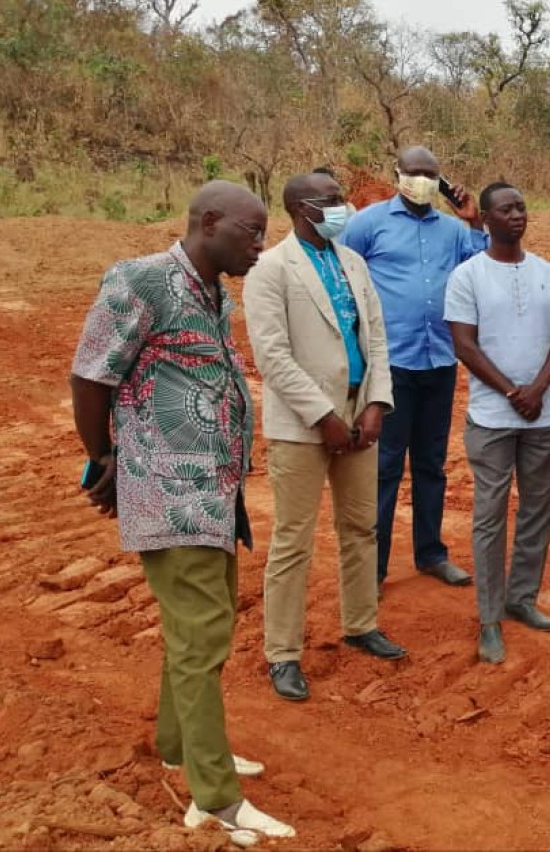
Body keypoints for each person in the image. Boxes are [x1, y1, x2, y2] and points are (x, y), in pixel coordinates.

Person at [70, 181, 294, 839]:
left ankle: (181, 746)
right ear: (209, 222)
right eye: (251, 232)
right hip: (169, 490)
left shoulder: (213, 293)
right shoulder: (141, 280)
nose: (260, 245)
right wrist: (103, 457)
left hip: (212, 494)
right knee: (201, 636)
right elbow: (90, 374)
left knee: (200, 627)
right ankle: (215, 797)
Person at [243, 172, 407, 705]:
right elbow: (271, 356)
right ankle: (283, 652)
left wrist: (377, 403)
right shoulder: (270, 269)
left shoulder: (352, 262)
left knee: (361, 527)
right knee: (293, 540)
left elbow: (376, 339)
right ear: (299, 208)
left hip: (360, 413)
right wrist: (322, 416)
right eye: (331, 200)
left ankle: (361, 624)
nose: (343, 206)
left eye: (341, 197)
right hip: (302, 426)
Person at [344, 146, 489, 591]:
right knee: (386, 466)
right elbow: (344, 275)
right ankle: (374, 567)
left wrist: (474, 221)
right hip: (390, 363)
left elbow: (480, 267)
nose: (421, 180)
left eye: (430, 174)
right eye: (414, 172)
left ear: (441, 180)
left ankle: (431, 554)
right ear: (398, 174)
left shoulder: (453, 229)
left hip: (439, 359)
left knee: (431, 464)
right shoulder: (368, 223)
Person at [444, 183, 550, 664]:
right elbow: (465, 345)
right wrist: (512, 392)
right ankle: (489, 618)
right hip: (492, 417)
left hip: (544, 414)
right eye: (506, 209)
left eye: (521, 207)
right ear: (486, 219)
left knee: (538, 508)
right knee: (490, 515)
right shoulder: (467, 276)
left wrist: (537, 389)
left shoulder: (546, 272)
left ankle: (522, 598)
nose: (517, 214)